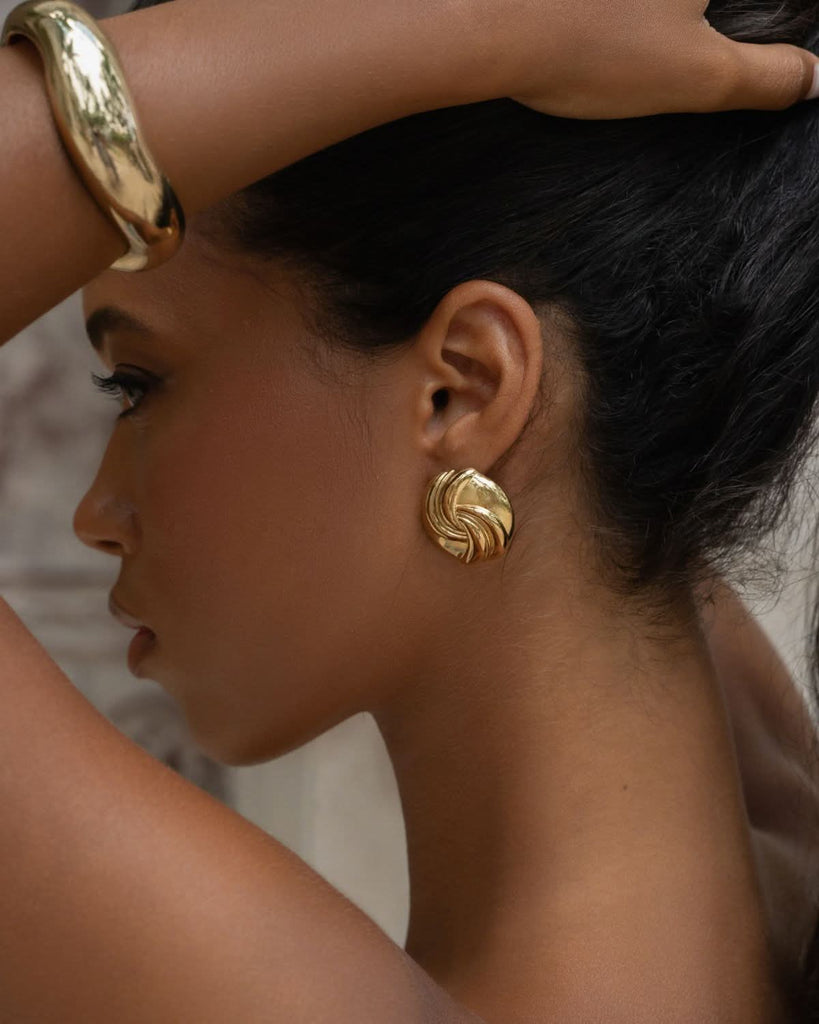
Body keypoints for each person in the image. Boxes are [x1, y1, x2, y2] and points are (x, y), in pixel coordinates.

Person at [1, 0, 819, 1020]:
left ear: (463, 389)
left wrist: (494, 30)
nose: (98, 510)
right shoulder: (785, 836)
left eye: (139, 383)